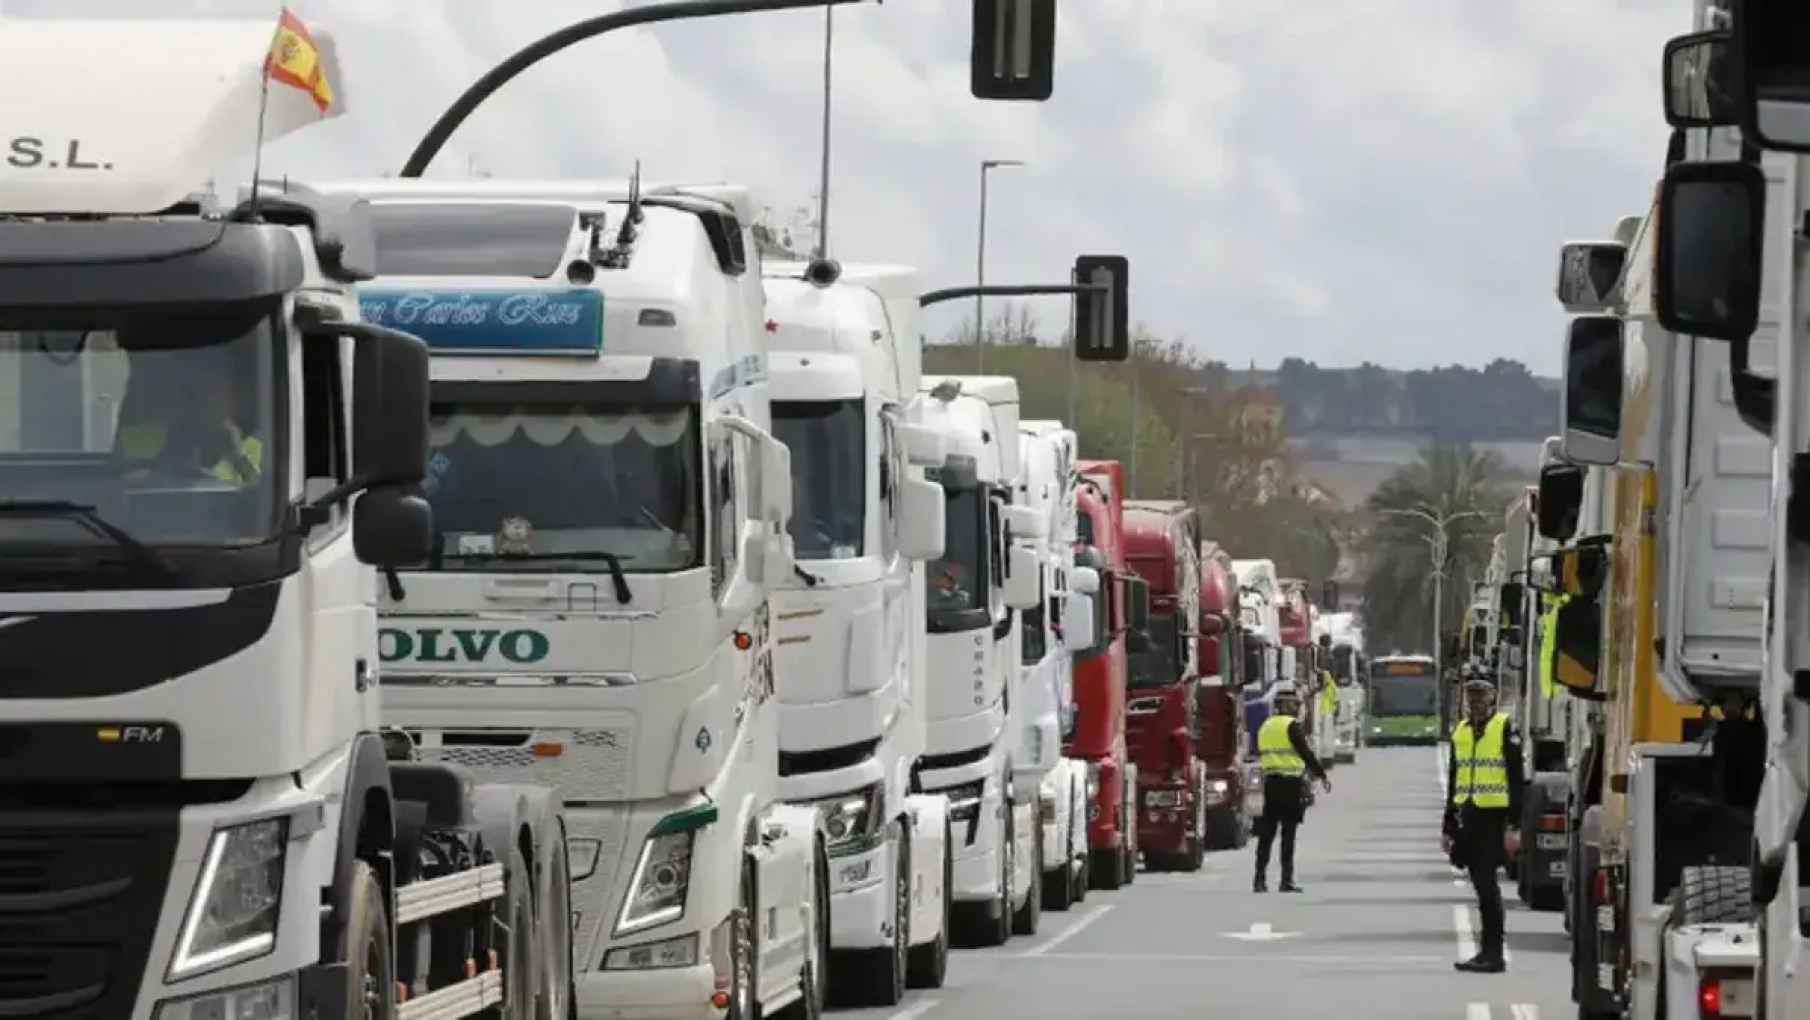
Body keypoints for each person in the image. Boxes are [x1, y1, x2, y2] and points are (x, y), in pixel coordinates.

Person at [1444, 672, 1525, 974]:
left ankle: (1493, 953)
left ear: (1493, 698)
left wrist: (1514, 826)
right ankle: (1487, 951)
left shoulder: (1504, 728)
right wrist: (1448, 828)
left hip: (1494, 818)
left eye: (1482, 695)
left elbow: (1516, 780)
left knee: (1487, 887)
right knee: (1480, 886)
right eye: (1471, 695)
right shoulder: (1461, 731)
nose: (1476, 701)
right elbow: (1455, 780)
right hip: (1469, 816)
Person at [115, 354, 261, 483]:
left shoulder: (253, 450)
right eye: (200, 388)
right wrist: (164, 465)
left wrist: (238, 459)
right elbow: (121, 492)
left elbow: (264, 494)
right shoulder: (137, 440)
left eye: (218, 388)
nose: (210, 400)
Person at [1252, 682, 1331, 893]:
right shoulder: (1291, 726)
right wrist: (1321, 775)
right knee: (1288, 835)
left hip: (1271, 783)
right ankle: (1286, 880)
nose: (1298, 708)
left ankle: (1259, 879)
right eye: (1295, 704)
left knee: (1267, 834)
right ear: (1286, 705)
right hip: (1290, 784)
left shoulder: (1265, 725)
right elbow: (1305, 753)